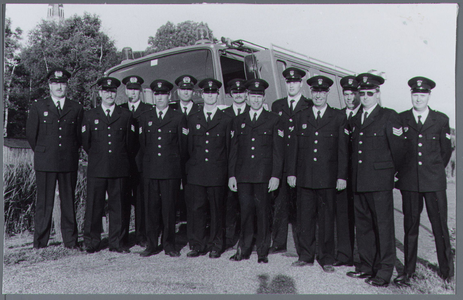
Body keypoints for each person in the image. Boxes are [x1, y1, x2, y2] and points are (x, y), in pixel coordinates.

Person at [345, 73, 405, 287]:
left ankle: (384, 271)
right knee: (363, 226)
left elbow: (398, 151)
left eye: (370, 93)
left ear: (378, 94)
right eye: (362, 93)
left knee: (383, 227)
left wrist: (390, 175)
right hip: (360, 180)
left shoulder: (389, 116)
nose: (366, 97)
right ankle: (366, 266)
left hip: (379, 182)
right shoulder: (355, 118)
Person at [394, 77, 453, 285]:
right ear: (411, 96)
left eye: (422, 95)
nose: (418, 99)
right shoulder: (402, 119)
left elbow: (446, 151)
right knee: (410, 227)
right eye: (415, 95)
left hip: (434, 182)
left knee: (440, 227)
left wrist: (434, 170)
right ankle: (408, 271)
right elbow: (398, 150)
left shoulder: (441, 120)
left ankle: (447, 271)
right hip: (410, 182)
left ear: (429, 96)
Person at [287, 75, 348, 273]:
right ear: (310, 93)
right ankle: (306, 256)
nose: (319, 95)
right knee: (305, 218)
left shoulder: (338, 117)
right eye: (315, 91)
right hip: (305, 177)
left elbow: (342, 150)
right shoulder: (301, 117)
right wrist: (292, 173)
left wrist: (341, 176)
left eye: (322, 92)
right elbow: (294, 148)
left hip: (328, 179)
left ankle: (327, 258)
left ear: (327, 93)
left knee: (326, 219)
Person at [26, 67, 83, 250]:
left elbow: (79, 136)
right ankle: (40, 243)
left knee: (68, 202)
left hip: (68, 160)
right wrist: (44, 152)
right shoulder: (39, 106)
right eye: (55, 83)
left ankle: (71, 242)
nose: (59, 86)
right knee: (44, 203)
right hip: (45, 161)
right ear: (49, 85)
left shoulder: (76, 107)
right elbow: (31, 135)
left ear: (67, 86)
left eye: (62, 83)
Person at [228, 79, 284, 263]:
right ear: (247, 97)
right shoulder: (238, 120)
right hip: (243, 175)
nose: (256, 100)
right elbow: (234, 150)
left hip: (264, 176)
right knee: (245, 213)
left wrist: (275, 175)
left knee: (263, 213)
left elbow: (277, 151)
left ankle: (262, 252)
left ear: (263, 98)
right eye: (252, 96)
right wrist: (232, 175)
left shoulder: (273, 119)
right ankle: (243, 250)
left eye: (259, 96)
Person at [82, 77, 135, 254]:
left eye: (112, 91)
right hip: (97, 167)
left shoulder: (126, 115)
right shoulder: (90, 115)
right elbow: (86, 143)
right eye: (106, 91)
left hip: (119, 167)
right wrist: (99, 156)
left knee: (118, 206)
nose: (109, 94)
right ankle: (91, 241)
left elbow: (130, 143)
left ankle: (117, 242)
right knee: (94, 206)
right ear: (100, 93)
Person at [138, 79, 188, 258]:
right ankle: (151, 244)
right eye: (157, 94)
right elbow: (142, 146)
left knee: (169, 209)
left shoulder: (178, 117)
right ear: (153, 96)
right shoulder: (145, 117)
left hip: (170, 171)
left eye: (163, 94)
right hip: (151, 170)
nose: (160, 98)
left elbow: (183, 147)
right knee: (151, 209)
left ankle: (169, 245)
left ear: (169, 96)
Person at [185, 78, 233, 259]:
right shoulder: (192, 118)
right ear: (202, 95)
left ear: (217, 94)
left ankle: (215, 245)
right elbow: (188, 148)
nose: (210, 96)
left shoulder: (226, 119)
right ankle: (197, 244)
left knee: (216, 211)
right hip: (197, 172)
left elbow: (229, 148)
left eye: (213, 93)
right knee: (197, 210)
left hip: (217, 172)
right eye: (207, 93)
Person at [270, 67, 313, 254]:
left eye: (295, 82)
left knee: (302, 206)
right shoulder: (277, 106)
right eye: (289, 82)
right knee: (279, 205)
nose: (292, 85)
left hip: (301, 164)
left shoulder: (309, 105)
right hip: (282, 163)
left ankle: (302, 246)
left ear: (301, 84)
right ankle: (279, 244)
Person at [119, 75, 152, 248]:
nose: (132, 92)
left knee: (141, 202)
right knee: (122, 200)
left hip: (141, 163)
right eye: (129, 89)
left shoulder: (148, 110)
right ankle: (123, 237)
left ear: (140, 91)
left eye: (135, 89)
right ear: (125, 91)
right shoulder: (120, 109)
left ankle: (141, 235)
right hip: (123, 163)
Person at [333, 75, 360, 267]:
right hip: (342, 174)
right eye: (346, 94)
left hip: (362, 174)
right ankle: (344, 255)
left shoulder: (364, 115)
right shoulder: (339, 116)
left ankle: (366, 258)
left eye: (353, 94)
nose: (349, 98)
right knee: (343, 215)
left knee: (363, 217)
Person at [222, 78, 250, 249]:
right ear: (231, 94)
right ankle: (229, 237)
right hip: (228, 165)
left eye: (241, 92)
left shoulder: (253, 111)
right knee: (229, 203)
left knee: (247, 204)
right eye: (235, 92)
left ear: (246, 94)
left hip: (247, 166)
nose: (238, 95)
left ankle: (247, 238)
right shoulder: (224, 115)